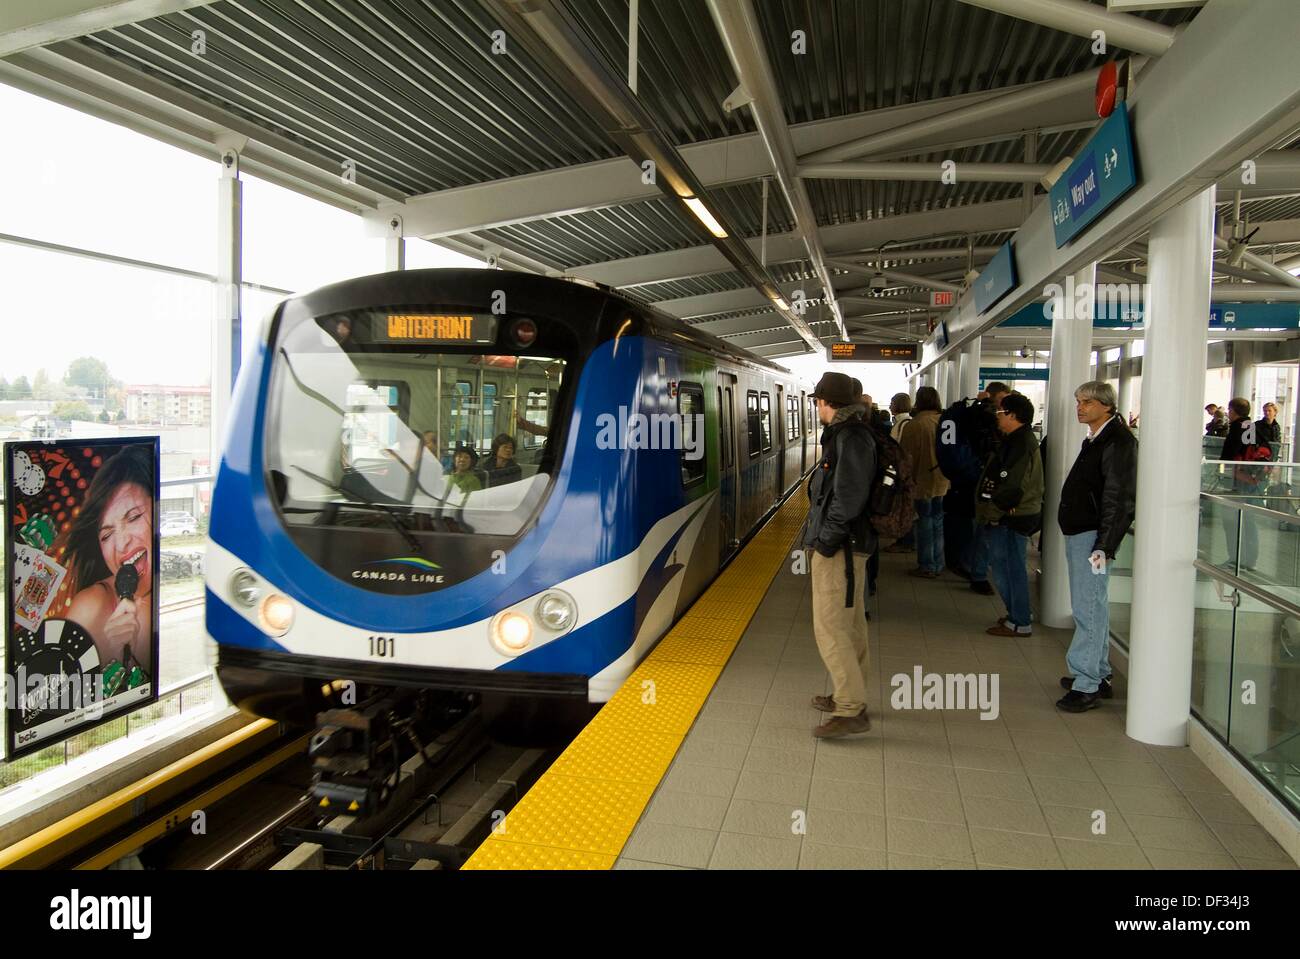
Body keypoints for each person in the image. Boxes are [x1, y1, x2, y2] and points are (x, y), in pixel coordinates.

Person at [801, 372, 875, 739]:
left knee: (829, 628)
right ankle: (852, 695)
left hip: (842, 548)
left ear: (826, 402)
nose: (816, 407)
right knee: (850, 626)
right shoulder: (852, 434)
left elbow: (847, 497)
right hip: (849, 546)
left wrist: (825, 541)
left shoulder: (851, 437)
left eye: (817, 401)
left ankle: (850, 709)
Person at [1056, 381, 1137, 712]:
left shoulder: (1117, 442)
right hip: (1084, 533)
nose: (1080, 407)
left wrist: (1104, 544)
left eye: (1087, 402)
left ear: (1107, 405)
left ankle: (1086, 682)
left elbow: (1117, 499)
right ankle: (1098, 672)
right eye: (1078, 401)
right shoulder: (1098, 438)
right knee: (1093, 605)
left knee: (1087, 608)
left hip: (1092, 538)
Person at [65, 445, 155, 687]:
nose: (122, 543)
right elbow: (57, 698)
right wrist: (117, 654)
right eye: (106, 535)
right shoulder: (92, 605)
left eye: (134, 517)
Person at [977, 393, 1043, 637]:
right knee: (1009, 565)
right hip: (1016, 514)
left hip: (1011, 517)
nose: (997, 417)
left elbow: (1012, 485)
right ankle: (1018, 612)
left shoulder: (1019, 443)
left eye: (1000, 413)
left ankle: (1020, 621)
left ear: (1012, 415)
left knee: (1008, 568)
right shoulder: (1018, 439)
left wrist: (993, 512)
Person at [901, 386, 948, 577]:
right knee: (938, 521)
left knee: (924, 522)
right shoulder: (945, 422)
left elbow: (906, 457)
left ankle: (927, 565)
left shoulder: (915, 425)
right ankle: (938, 562)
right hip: (943, 481)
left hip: (923, 481)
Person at [1220, 397, 1262, 571]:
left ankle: (1235, 559)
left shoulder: (1236, 428)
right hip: (1250, 482)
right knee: (1248, 523)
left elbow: (1228, 455)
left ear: (1233, 411)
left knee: (1232, 523)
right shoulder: (1253, 427)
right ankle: (1248, 561)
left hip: (1236, 482)